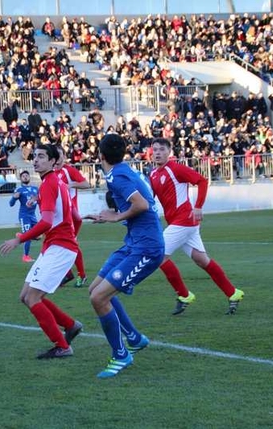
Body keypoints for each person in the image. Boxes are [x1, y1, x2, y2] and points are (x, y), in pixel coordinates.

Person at [83, 133, 164, 378]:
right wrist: (109, 214)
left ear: (101, 155)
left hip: (146, 249)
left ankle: (121, 354)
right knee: (95, 290)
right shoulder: (120, 172)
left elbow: (141, 204)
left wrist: (116, 216)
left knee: (98, 298)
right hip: (133, 243)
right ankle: (134, 338)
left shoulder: (118, 176)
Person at [0, 144, 83, 359]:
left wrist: (19, 239)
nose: (36, 160)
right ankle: (70, 325)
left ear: (54, 161)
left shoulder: (49, 184)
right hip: (56, 246)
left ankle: (62, 346)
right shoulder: (56, 182)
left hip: (60, 248)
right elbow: (74, 217)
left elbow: (46, 222)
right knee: (25, 296)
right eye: (35, 156)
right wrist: (70, 234)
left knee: (33, 298)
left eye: (42, 156)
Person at [149, 138, 245, 315]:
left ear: (169, 152)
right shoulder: (153, 175)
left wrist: (199, 206)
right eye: (154, 149)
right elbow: (149, 200)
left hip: (185, 219)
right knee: (202, 260)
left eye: (161, 149)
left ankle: (184, 295)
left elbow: (202, 180)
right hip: (181, 223)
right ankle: (233, 293)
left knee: (157, 256)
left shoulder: (175, 168)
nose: (157, 153)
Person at [55, 146, 92, 287]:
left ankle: (80, 275)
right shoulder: (50, 173)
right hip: (58, 216)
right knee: (60, 244)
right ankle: (68, 274)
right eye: (55, 156)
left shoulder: (68, 170)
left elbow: (86, 184)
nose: (58, 159)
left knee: (69, 244)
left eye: (60, 155)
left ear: (64, 157)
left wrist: (71, 184)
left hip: (70, 215)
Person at [9, 170, 39, 262]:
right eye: (23, 176)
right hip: (24, 216)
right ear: (21, 179)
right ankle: (25, 256)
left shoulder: (35, 188)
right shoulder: (19, 190)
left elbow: (40, 199)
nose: (25, 177)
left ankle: (22, 236)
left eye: (27, 175)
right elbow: (11, 204)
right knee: (29, 236)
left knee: (39, 236)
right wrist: (14, 197)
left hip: (33, 215)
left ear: (29, 177)